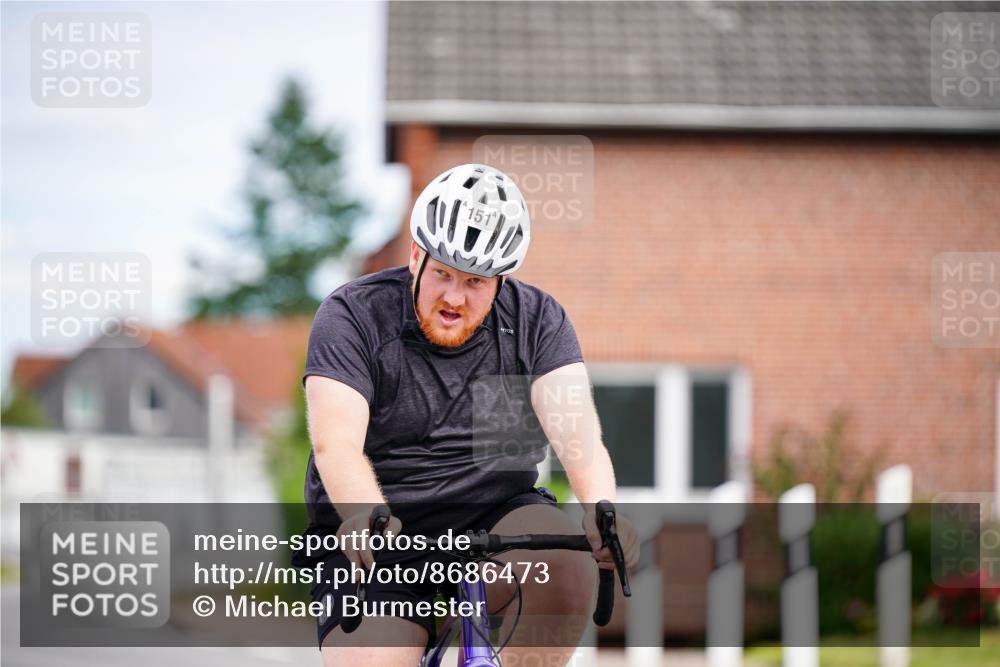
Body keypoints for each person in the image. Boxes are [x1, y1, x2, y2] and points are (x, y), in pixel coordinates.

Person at [299, 163, 639, 667]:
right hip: (379, 534)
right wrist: (363, 515)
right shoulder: (352, 315)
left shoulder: (537, 321)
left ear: (501, 281)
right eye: (442, 273)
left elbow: (578, 438)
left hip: (494, 522)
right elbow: (336, 443)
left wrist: (601, 511)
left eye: (476, 281)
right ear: (416, 256)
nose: (455, 297)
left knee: (568, 567)